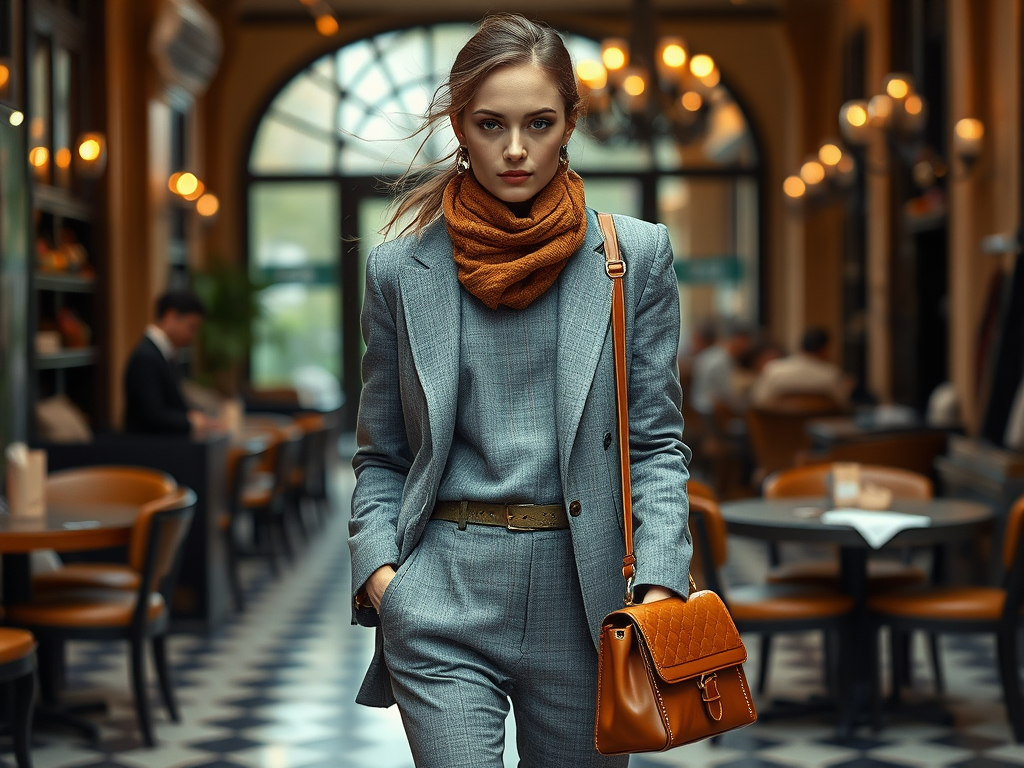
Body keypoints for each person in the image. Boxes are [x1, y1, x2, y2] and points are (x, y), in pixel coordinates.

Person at [348, 15, 691, 768]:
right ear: (458, 126)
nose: (513, 148)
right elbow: (381, 454)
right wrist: (384, 581)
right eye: (490, 123)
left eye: (538, 123)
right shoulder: (400, 272)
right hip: (440, 594)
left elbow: (657, 443)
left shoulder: (632, 257)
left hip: (587, 597)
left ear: (570, 121)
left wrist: (662, 581)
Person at [123, 289, 213, 435]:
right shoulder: (146, 356)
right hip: (150, 451)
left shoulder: (164, 354)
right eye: (191, 327)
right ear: (171, 316)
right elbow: (152, 416)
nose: (192, 336)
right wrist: (191, 422)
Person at [750, 326, 850, 407]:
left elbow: (759, 402)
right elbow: (841, 405)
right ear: (824, 350)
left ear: (801, 346)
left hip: (778, 430)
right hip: (816, 430)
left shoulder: (774, 369)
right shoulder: (831, 374)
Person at [689, 319, 753, 415]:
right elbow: (726, 395)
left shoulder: (710, 353)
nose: (747, 347)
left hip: (698, 408)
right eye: (746, 342)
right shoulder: (722, 361)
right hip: (711, 413)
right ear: (738, 339)